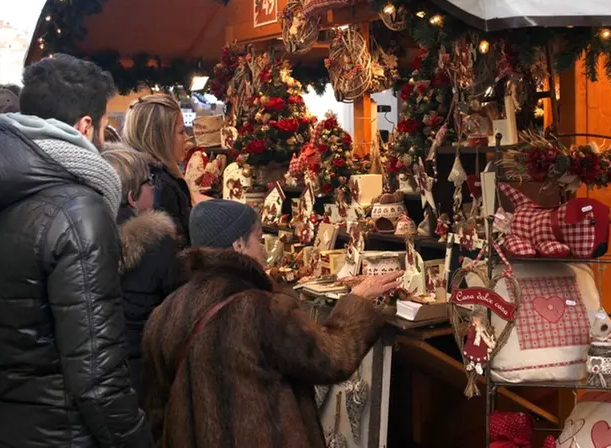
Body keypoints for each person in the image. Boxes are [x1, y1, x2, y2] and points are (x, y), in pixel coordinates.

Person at [0, 54, 151, 447]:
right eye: (105, 126)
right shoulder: (78, 210)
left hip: (6, 424)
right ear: (86, 126)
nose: (104, 139)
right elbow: (97, 377)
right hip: (69, 434)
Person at [142, 200, 401, 448]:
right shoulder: (260, 309)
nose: (264, 249)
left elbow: (156, 414)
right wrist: (357, 301)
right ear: (238, 244)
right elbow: (333, 358)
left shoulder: (163, 315)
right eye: (258, 238)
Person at [101, 144, 179, 398]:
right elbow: (174, 309)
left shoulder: (83, 237)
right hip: (143, 371)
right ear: (133, 196)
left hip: (96, 370)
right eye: (149, 181)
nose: (154, 186)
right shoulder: (158, 244)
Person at [122, 94, 192, 247]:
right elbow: (177, 251)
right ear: (160, 137)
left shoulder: (139, 176)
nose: (187, 138)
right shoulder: (160, 185)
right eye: (181, 132)